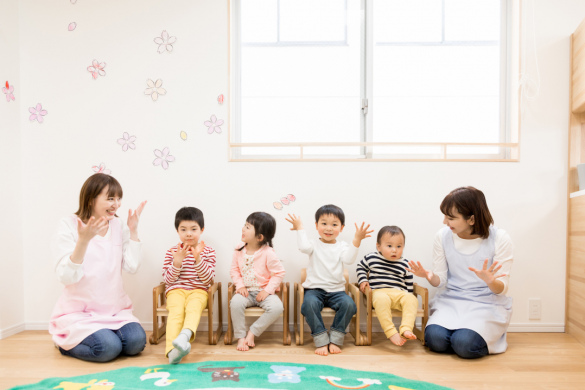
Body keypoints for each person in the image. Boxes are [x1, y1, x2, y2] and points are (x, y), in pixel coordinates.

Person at [49, 173, 147, 363]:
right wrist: (83, 241)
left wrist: (133, 230)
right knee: (107, 349)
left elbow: (132, 267)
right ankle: (64, 342)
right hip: (80, 313)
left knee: (136, 343)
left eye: (119, 199)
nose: (116, 204)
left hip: (114, 310)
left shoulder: (118, 225)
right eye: (110, 198)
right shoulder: (69, 225)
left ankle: (105, 335)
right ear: (91, 198)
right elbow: (66, 277)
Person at [408, 186, 513, 359]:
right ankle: (462, 335)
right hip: (452, 301)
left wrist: (490, 281)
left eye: (450, 218)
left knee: (465, 344)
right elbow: (440, 281)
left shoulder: (500, 238)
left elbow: (501, 289)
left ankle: (471, 337)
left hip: (486, 303)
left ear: (471, 219)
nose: (444, 222)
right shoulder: (442, 236)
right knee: (435, 340)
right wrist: (429, 276)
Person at [286, 204, 373, 356]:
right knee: (309, 304)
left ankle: (335, 338)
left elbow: (349, 259)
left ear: (342, 228)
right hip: (314, 290)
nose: (328, 228)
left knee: (349, 305)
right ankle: (321, 339)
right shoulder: (313, 244)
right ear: (316, 225)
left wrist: (357, 240)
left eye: (334, 224)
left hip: (336, 291)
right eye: (324, 223)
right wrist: (300, 228)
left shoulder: (342, 246)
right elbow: (303, 247)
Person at [162, 207, 216, 364]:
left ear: (201, 230)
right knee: (175, 313)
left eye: (194, 229)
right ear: (177, 231)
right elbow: (168, 280)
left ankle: (183, 337)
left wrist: (197, 258)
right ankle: (172, 352)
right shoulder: (172, 251)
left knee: (193, 309)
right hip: (175, 291)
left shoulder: (208, 251)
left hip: (199, 291)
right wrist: (177, 261)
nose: (189, 233)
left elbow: (207, 280)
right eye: (183, 229)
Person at [230, 212, 285, 351]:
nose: (243, 229)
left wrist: (267, 291)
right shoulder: (239, 248)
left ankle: (252, 332)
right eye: (245, 225)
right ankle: (241, 337)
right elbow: (234, 270)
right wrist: (240, 285)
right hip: (246, 292)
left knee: (277, 307)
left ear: (260, 237)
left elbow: (279, 273)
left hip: (264, 292)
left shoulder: (268, 252)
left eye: (248, 227)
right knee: (235, 303)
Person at [357, 225, 418, 346]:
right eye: (389, 246)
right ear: (378, 246)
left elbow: (409, 281)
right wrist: (363, 280)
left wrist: (409, 296)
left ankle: (406, 328)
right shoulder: (372, 258)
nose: (394, 250)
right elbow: (361, 267)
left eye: (399, 246)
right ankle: (391, 332)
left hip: (399, 294)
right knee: (381, 299)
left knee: (412, 299)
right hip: (379, 292)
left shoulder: (405, 263)